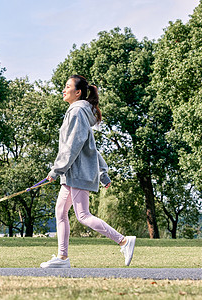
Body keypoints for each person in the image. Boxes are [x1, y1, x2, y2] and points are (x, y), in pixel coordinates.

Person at [40, 75, 136, 268]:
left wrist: (56, 170)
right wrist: (102, 172)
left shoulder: (76, 113)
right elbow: (90, 148)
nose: (64, 90)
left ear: (78, 93)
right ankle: (62, 258)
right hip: (73, 173)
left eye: (68, 87)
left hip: (77, 173)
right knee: (60, 212)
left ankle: (124, 241)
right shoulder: (79, 112)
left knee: (83, 215)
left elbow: (72, 146)